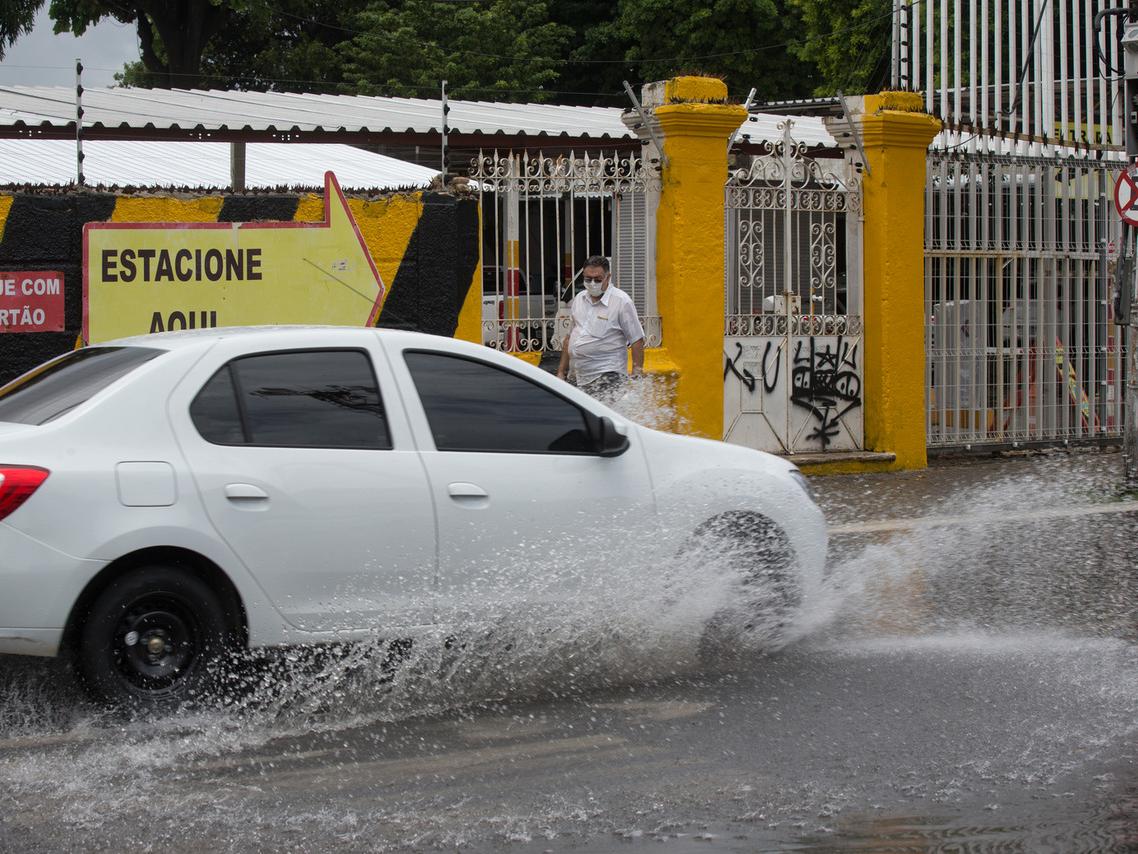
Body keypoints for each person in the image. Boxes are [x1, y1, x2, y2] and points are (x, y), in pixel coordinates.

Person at [557, 255, 645, 404]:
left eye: (597, 279)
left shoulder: (621, 301)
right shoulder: (579, 299)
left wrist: (636, 378)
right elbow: (570, 338)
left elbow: (637, 340)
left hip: (609, 376)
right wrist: (561, 373)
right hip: (580, 377)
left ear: (608, 277)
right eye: (587, 279)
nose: (592, 283)